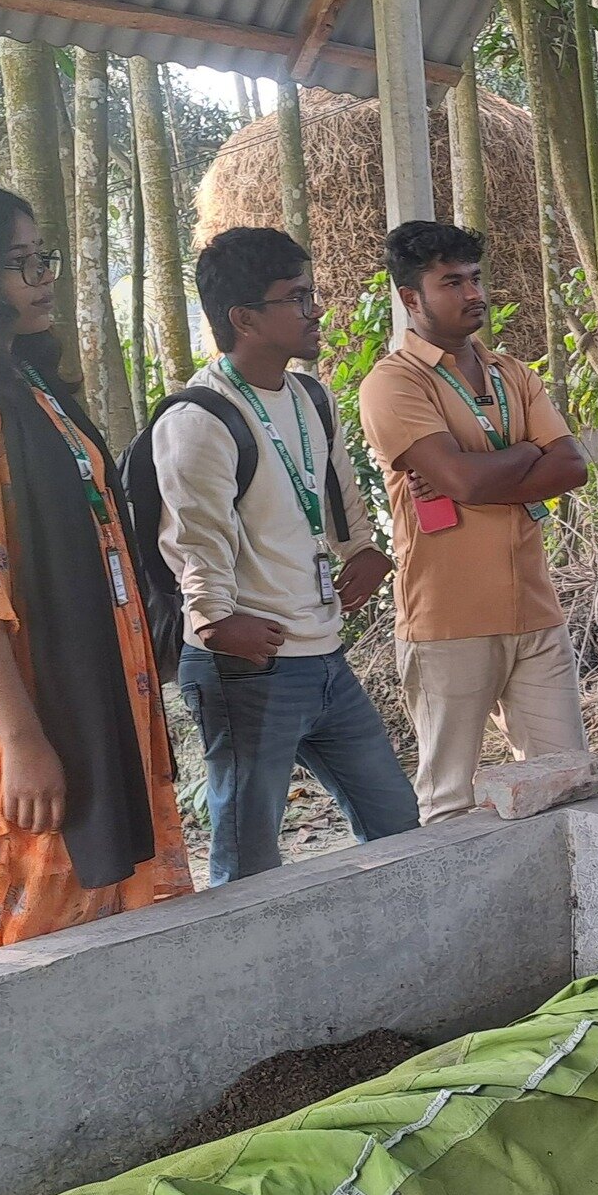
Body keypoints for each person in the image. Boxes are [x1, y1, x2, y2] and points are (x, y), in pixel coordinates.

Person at [0, 185, 192, 968]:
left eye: (40, 258)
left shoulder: (29, 387)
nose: (41, 277)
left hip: (79, 689)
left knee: (101, 917)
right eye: (18, 264)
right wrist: (23, 740)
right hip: (8, 714)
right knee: (26, 918)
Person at [158, 228, 416, 885]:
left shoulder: (311, 398)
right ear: (244, 318)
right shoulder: (199, 420)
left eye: (312, 294)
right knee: (248, 866)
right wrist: (218, 622)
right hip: (249, 668)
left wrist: (361, 549)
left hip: (323, 657)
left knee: (399, 829)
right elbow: (195, 541)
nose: (316, 311)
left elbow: (339, 499)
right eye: (297, 298)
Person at [358, 222, 591, 824]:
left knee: (566, 782)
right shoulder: (394, 382)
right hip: (448, 619)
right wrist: (524, 455)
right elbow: (461, 482)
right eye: (452, 282)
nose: (473, 293)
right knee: (449, 800)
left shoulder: (514, 373)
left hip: (536, 612)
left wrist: (485, 469)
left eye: (476, 278)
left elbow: (573, 465)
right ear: (411, 298)